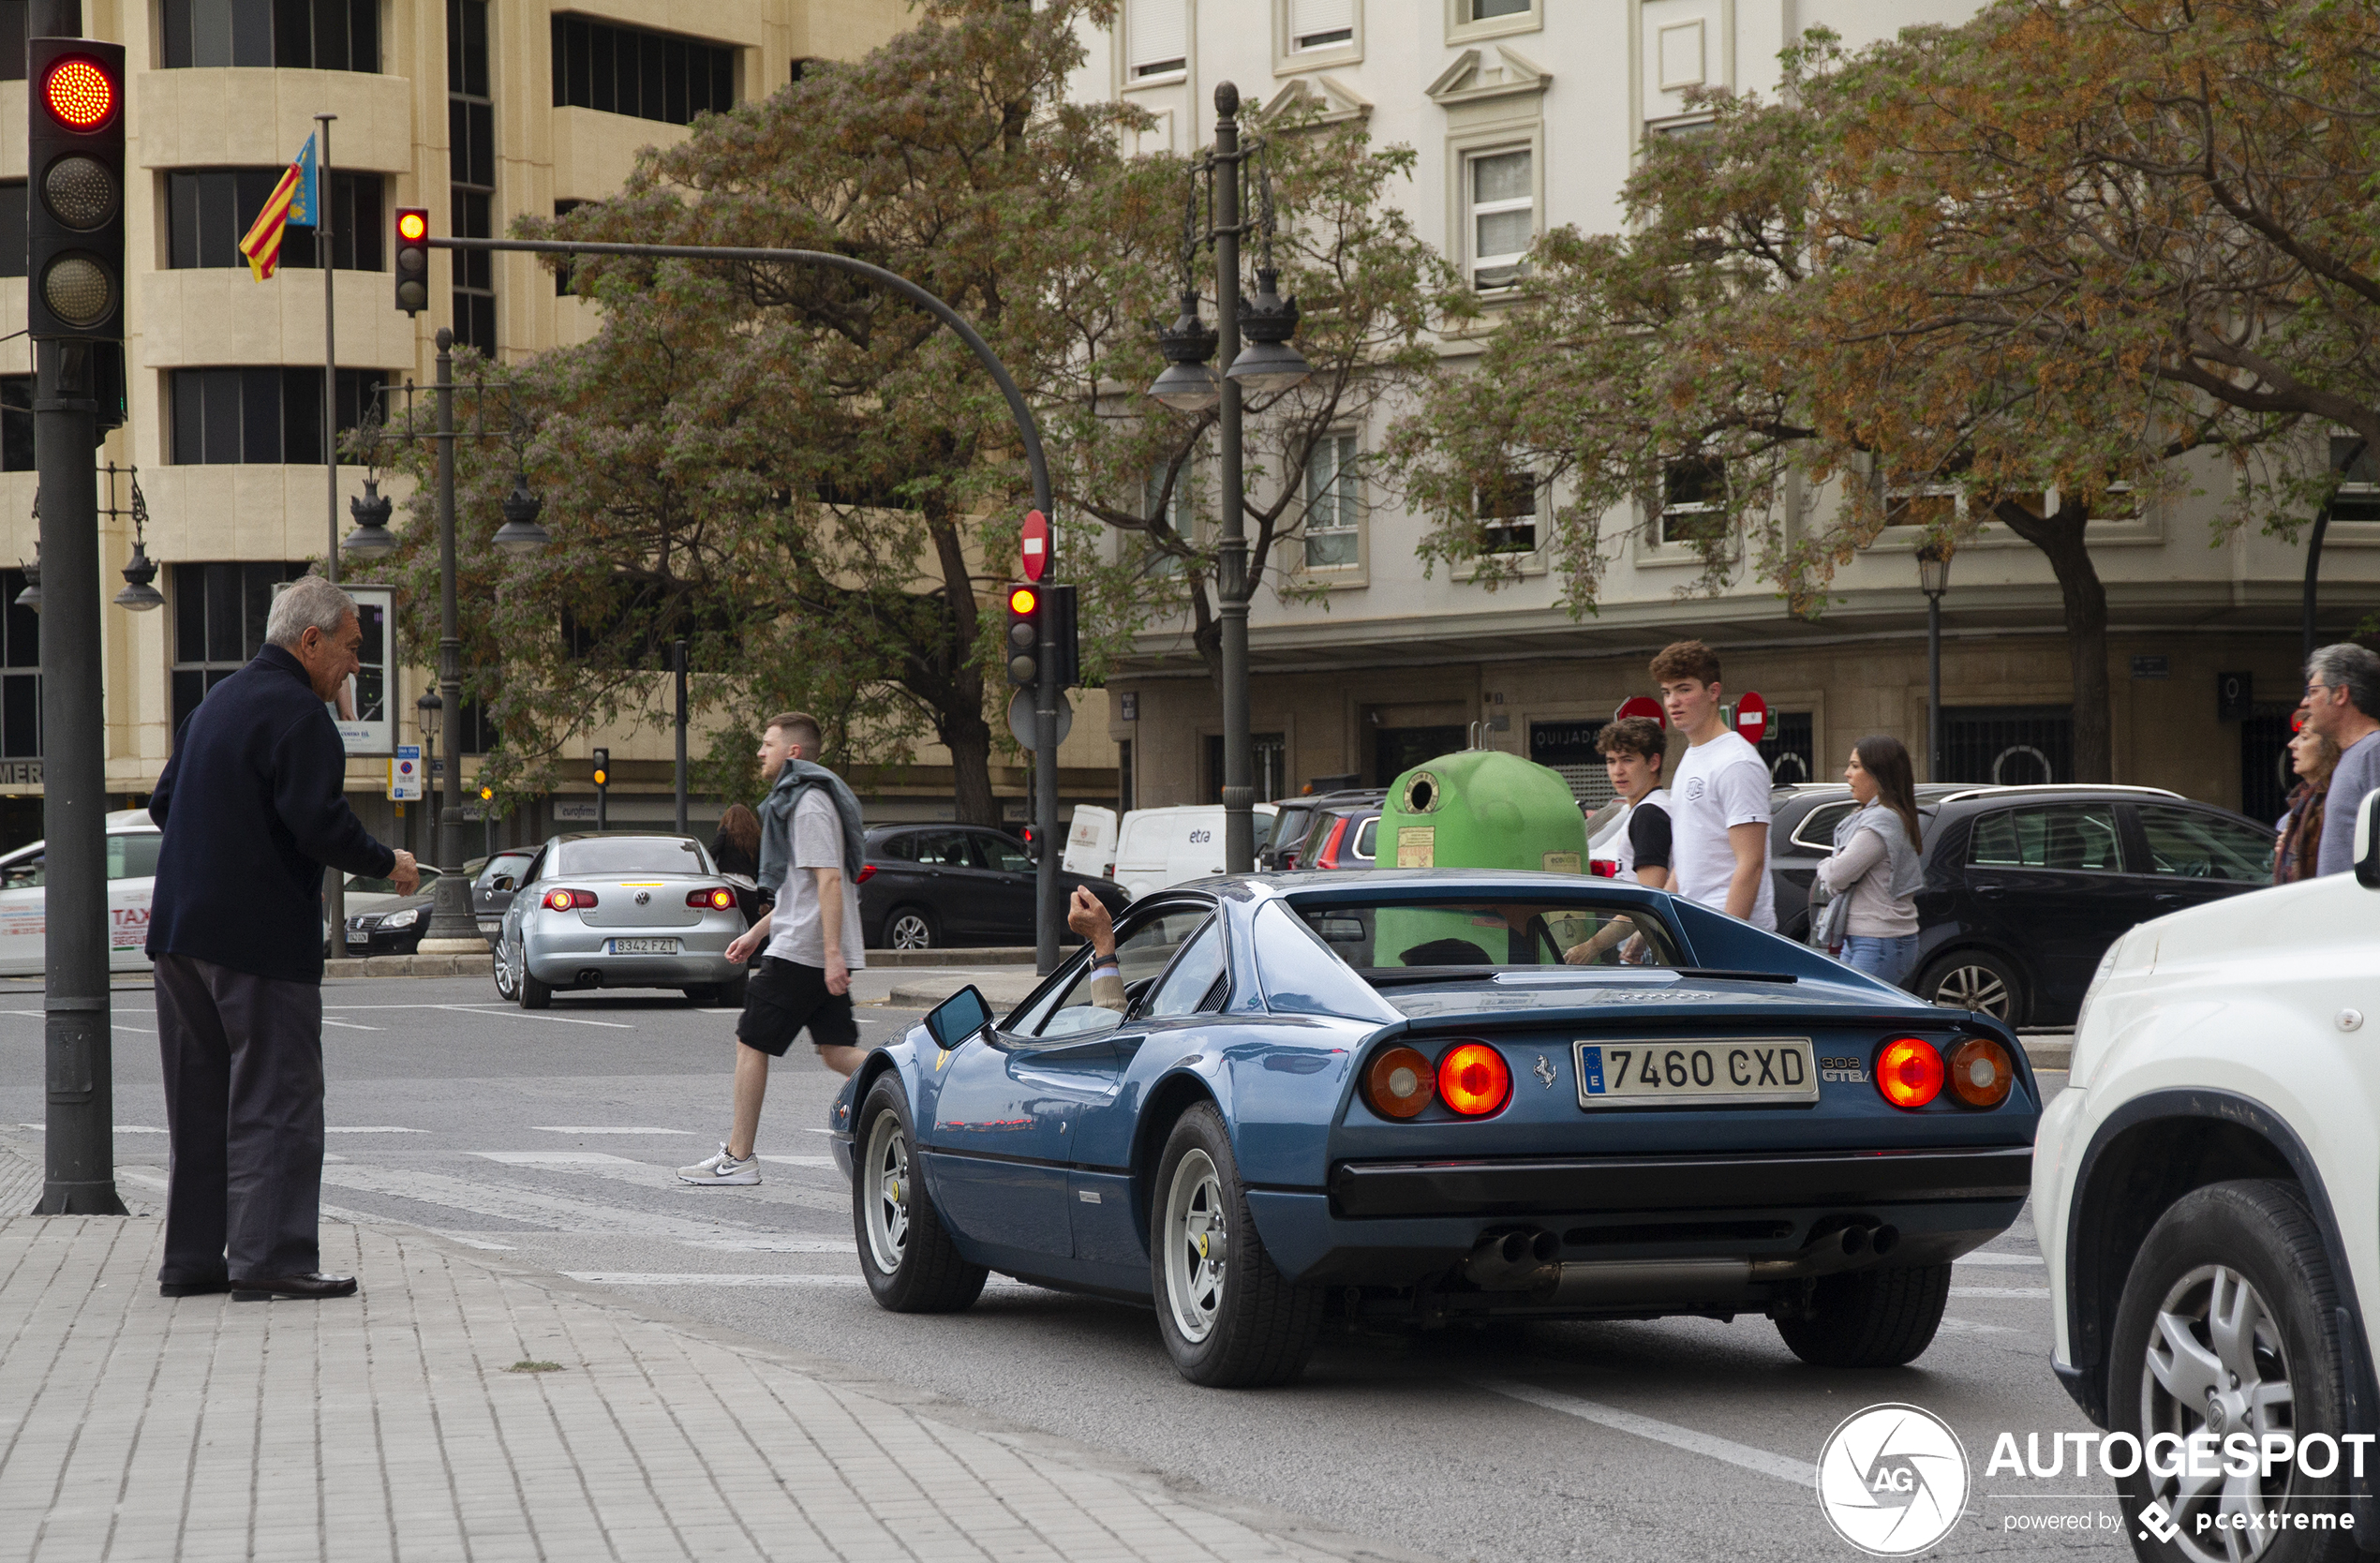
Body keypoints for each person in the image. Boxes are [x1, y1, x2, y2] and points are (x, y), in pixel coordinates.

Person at [144, 575, 419, 1302]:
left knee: (199, 1106)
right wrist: (388, 861)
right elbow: (320, 825)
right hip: (259, 945)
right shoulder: (301, 716)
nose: (358, 666)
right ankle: (271, 1260)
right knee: (277, 1100)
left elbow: (163, 803)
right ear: (312, 641)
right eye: (354, 649)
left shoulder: (216, 704)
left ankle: (193, 1261)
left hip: (176, 938)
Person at [679, 713, 867, 1186]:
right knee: (836, 1050)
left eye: (768, 744)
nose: (761, 752)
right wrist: (757, 933)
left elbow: (827, 882)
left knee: (750, 1041)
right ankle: (917, 1092)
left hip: (802, 953)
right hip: (803, 946)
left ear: (794, 753)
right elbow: (801, 892)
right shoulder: (799, 802)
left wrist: (830, 954)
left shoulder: (809, 805)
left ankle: (739, 1158)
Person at [1651, 640, 1776, 930]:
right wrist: (1652, 930)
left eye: (1684, 689)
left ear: (1713, 692)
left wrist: (1727, 937)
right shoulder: (1692, 756)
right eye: (1666, 692)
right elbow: (1689, 861)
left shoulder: (1737, 762)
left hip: (1732, 936)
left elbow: (1751, 864)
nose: (1672, 701)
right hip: (1694, 927)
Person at [1812, 736, 1926, 985]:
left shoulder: (1882, 820)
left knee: (1853, 1017)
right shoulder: (1874, 816)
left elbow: (1836, 875)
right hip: (1864, 939)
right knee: (1850, 1015)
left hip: (1879, 941)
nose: (1846, 774)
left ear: (1878, 774)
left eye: (1855, 766)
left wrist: (1825, 865)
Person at [1567, 718, 1672, 964]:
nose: (1617, 771)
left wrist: (1591, 947)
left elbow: (1650, 900)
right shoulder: (1650, 809)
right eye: (1611, 761)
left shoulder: (1649, 814)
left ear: (1653, 762)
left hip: (1654, 954)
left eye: (1628, 759)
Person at [2305, 643, 2380, 876]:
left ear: (2340, 694)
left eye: (2313, 691)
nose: (2306, 702)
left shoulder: (2373, 752)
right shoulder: (2354, 755)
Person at [2274, 725, 2340, 885]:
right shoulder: (2296, 811)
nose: (2292, 744)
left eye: (2304, 737)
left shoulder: (2336, 803)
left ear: (2329, 749)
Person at [710, 802, 761, 878]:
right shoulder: (755, 837)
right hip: (749, 881)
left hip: (728, 878)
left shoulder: (726, 832)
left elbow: (713, 852)